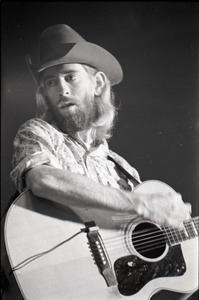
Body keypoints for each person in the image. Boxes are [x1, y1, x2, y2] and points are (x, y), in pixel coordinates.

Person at [8, 24, 195, 300]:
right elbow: (41, 179)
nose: (62, 89)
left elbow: (151, 272)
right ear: (45, 94)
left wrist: (179, 274)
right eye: (50, 82)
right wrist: (141, 204)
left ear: (97, 84)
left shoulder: (123, 170)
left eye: (70, 77)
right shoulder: (38, 132)